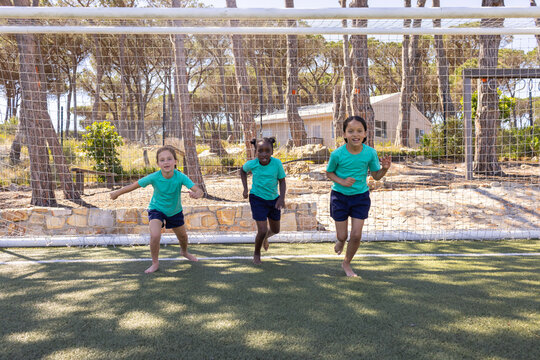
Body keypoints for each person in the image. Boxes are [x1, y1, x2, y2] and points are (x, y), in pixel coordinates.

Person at [110, 145, 203, 273]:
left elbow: (198, 190)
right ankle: (155, 263)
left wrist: (198, 193)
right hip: (156, 209)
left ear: (175, 161)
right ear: (158, 163)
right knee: (155, 235)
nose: (166, 162)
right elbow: (134, 185)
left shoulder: (180, 177)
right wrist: (117, 193)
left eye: (169, 159)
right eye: (162, 160)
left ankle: (184, 252)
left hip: (175, 211)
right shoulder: (154, 177)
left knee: (183, 237)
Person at [326, 116, 391, 277]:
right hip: (339, 197)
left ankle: (346, 263)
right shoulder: (337, 154)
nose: (355, 134)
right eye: (351, 131)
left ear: (365, 134)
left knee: (356, 235)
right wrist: (342, 181)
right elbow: (329, 173)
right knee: (343, 235)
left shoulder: (370, 153)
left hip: (360, 197)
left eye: (359, 131)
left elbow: (376, 176)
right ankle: (340, 241)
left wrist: (385, 169)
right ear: (344, 134)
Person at [240, 137, 286, 264]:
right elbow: (242, 171)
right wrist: (245, 188)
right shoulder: (252, 164)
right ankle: (256, 253)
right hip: (257, 199)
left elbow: (282, 180)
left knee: (276, 230)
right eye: (260, 151)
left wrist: (281, 198)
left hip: (273, 199)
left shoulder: (277, 163)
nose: (264, 154)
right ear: (256, 152)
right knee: (262, 229)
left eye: (267, 151)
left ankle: (265, 237)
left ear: (272, 151)